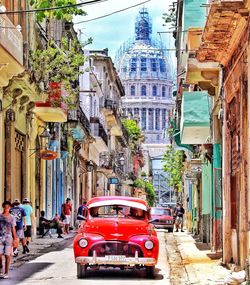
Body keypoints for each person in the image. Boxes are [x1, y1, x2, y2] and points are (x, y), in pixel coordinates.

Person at [0, 201, 17, 279]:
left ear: (10, 208)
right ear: (3, 207)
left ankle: (6, 272)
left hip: (8, 238)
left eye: (8, 207)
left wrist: (15, 239)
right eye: (5, 207)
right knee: (0, 255)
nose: (6, 208)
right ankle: (1, 269)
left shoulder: (12, 217)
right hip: (0, 237)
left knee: (7, 255)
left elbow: (13, 228)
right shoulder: (0, 216)